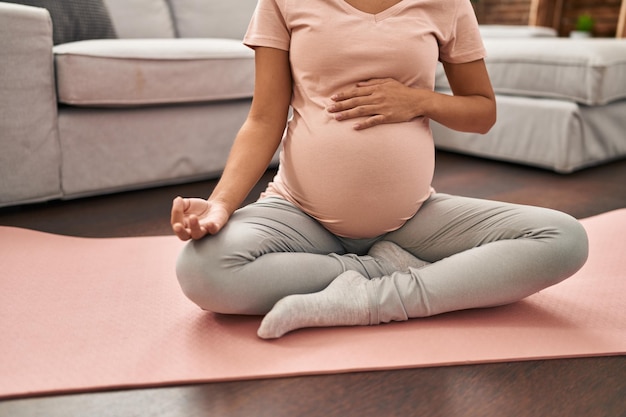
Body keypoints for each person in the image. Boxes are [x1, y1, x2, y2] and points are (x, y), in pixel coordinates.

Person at [171, 0, 589, 339]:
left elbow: (481, 113)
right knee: (201, 270)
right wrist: (221, 204)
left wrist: (419, 101)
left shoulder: (447, 3)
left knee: (564, 238)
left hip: (412, 220)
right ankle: (385, 269)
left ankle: (376, 300)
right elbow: (264, 118)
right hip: (299, 213)